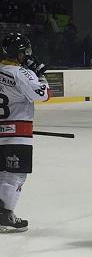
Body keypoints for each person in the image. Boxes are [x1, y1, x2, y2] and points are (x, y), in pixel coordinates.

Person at [0, 33, 49, 233]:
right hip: (17, 133)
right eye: (24, 51)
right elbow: (43, 94)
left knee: (3, 173)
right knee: (16, 176)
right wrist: (41, 74)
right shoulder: (21, 73)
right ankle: (5, 215)